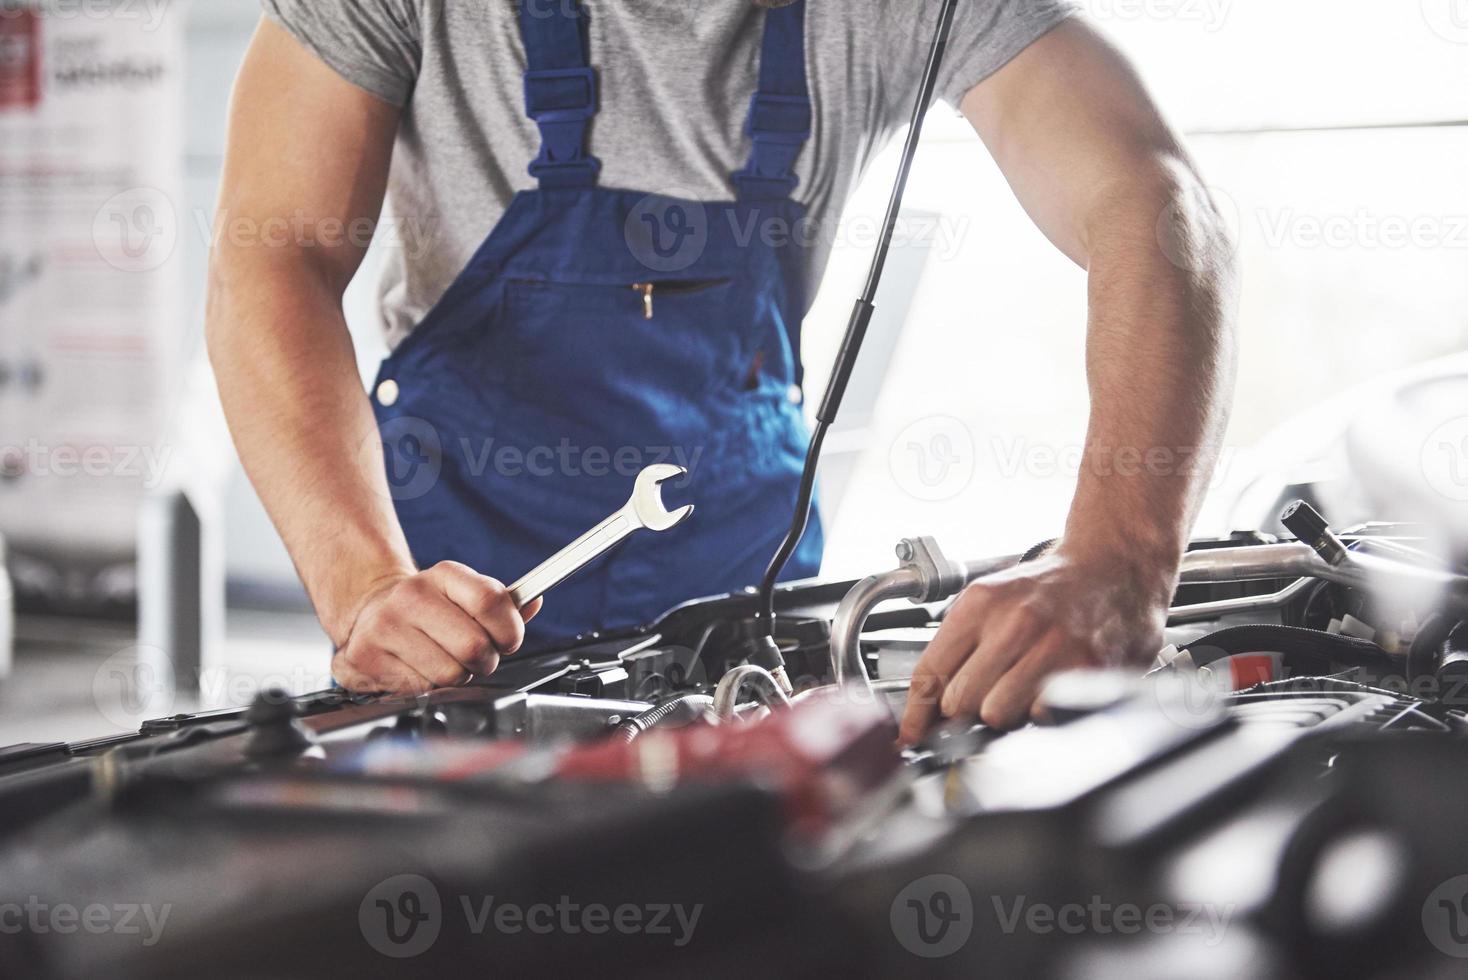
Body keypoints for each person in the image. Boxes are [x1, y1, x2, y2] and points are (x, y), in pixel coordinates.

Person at [206, 0, 1235, 742]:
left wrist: (1119, 557)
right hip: (446, 584)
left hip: (744, 590)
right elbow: (273, 252)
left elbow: (1151, 206)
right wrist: (363, 587)